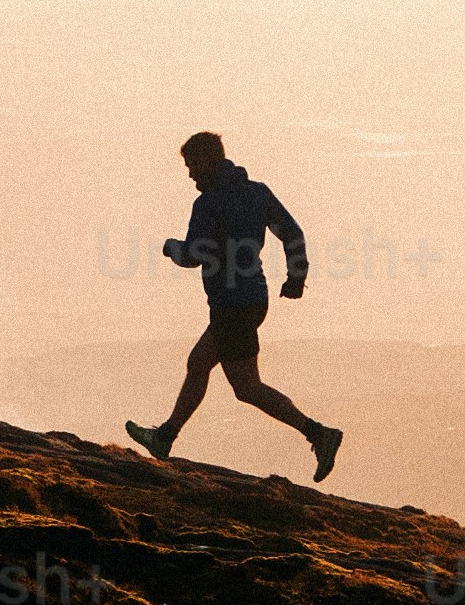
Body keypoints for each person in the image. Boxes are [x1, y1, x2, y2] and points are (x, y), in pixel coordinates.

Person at [128, 127, 339, 478]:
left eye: (192, 165)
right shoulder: (257, 193)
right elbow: (292, 233)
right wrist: (296, 277)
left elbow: (193, 256)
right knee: (223, 376)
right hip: (254, 298)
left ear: (207, 160)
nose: (190, 174)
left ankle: (319, 434)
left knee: (229, 379)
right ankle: (165, 436)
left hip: (231, 304)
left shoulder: (208, 203)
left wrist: (171, 248)